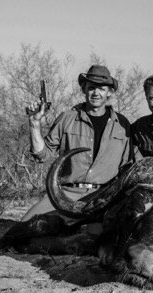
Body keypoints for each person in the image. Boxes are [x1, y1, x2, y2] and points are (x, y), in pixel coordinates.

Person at [21, 64, 137, 224]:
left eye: (101, 89)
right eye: (91, 88)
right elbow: (42, 155)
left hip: (104, 198)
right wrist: (34, 123)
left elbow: (128, 167)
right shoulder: (67, 118)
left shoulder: (122, 124)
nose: (96, 93)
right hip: (65, 193)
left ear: (109, 92)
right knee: (24, 226)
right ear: (84, 89)